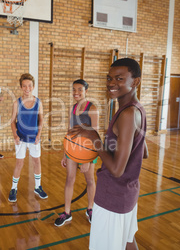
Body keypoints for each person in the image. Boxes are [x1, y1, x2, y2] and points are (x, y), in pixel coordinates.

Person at [69, 58, 148, 250]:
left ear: (135, 81)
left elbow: (117, 169)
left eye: (119, 78)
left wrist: (94, 137)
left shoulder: (127, 114)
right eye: (109, 78)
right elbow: (143, 151)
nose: (111, 83)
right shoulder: (136, 109)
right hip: (127, 193)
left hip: (113, 196)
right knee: (128, 242)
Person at [54, 79, 99, 227]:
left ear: (86, 91)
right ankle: (67, 213)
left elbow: (95, 134)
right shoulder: (71, 108)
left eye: (80, 89)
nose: (76, 92)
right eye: (74, 89)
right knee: (69, 179)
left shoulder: (92, 109)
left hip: (88, 151)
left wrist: (87, 159)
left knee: (90, 180)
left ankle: (90, 209)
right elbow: (69, 133)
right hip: (73, 150)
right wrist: (64, 153)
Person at [8, 73, 48, 202]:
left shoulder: (38, 102)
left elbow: (41, 120)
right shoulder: (17, 103)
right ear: (21, 87)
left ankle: (37, 187)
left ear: (33, 86)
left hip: (34, 137)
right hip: (21, 137)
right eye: (24, 86)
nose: (27, 88)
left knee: (37, 161)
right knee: (19, 163)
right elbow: (12, 121)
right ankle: (13, 188)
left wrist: (39, 135)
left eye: (29, 86)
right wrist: (15, 135)